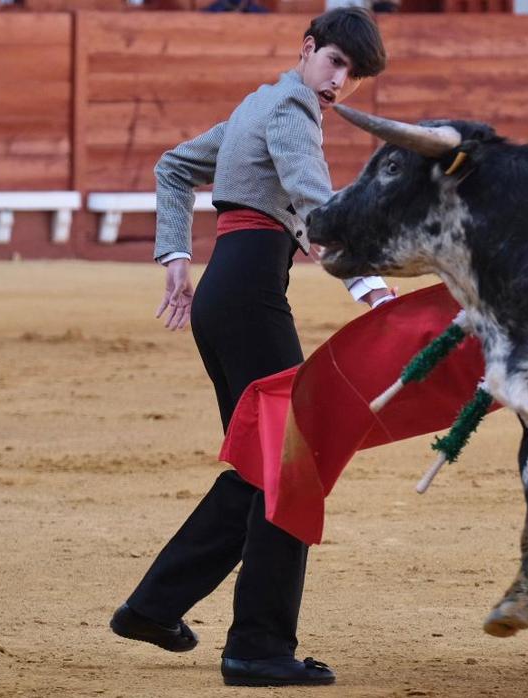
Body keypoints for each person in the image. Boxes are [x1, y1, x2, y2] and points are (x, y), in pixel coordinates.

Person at [109, 7, 392, 688]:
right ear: (308, 49)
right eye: (335, 63)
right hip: (250, 296)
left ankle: (154, 608)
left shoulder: (254, 105)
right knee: (292, 461)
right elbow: (313, 202)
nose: (339, 83)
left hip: (225, 293)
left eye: (352, 76)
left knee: (262, 468)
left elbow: (173, 167)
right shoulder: (292, 110)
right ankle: (258, 646)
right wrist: (371, 288)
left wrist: (177, 253)